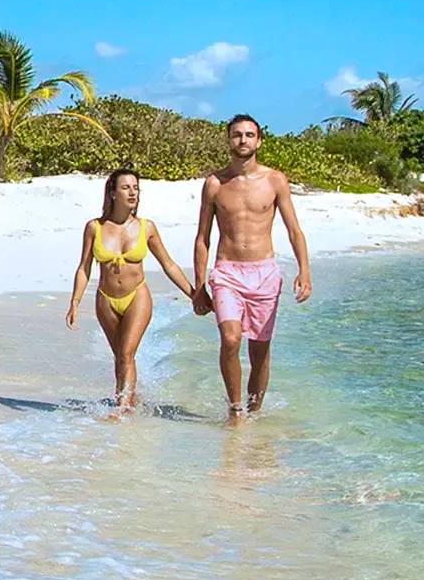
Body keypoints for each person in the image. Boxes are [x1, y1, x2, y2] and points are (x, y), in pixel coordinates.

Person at [193, 115, 312, 419]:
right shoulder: (215, 184)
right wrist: (199, 286)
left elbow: (294, 230)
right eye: (236, 135)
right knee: (231, 338)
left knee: (259, 353)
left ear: (259, 141)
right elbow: (202, 237)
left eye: (249, 135)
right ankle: (235, 410)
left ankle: (254, 411)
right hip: (227, 272)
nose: (243, 140)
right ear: (228, 140)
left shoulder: (274, 180)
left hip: (264, 273)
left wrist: (304, 271)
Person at [67, 168, 195, 413]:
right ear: (113, 193)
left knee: (126, 352)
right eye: (126, 187)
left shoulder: (147, 227)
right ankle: (126, 399)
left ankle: (123, 408)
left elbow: (168, 264)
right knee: (120, 356)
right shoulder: (94, 227)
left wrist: (194, 293)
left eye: (136, 187)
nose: (132, 192)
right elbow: (84, 267)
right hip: (105, 299)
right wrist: (74, 302)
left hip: (137, 295)